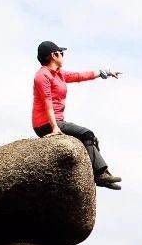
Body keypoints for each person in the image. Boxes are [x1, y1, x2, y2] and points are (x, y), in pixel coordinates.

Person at [31, 40, 122, 189]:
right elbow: (47, 103)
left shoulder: (59, 74)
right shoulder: (42, 76)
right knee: (87, 133)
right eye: (61, 53)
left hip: (57, 121)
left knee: (92, 139)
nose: (63, 56)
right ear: (54, 55)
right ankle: (100, 174)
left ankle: (100, 174)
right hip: (45, 123)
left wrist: (105, 72)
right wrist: (54, 128)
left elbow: (79, 76)